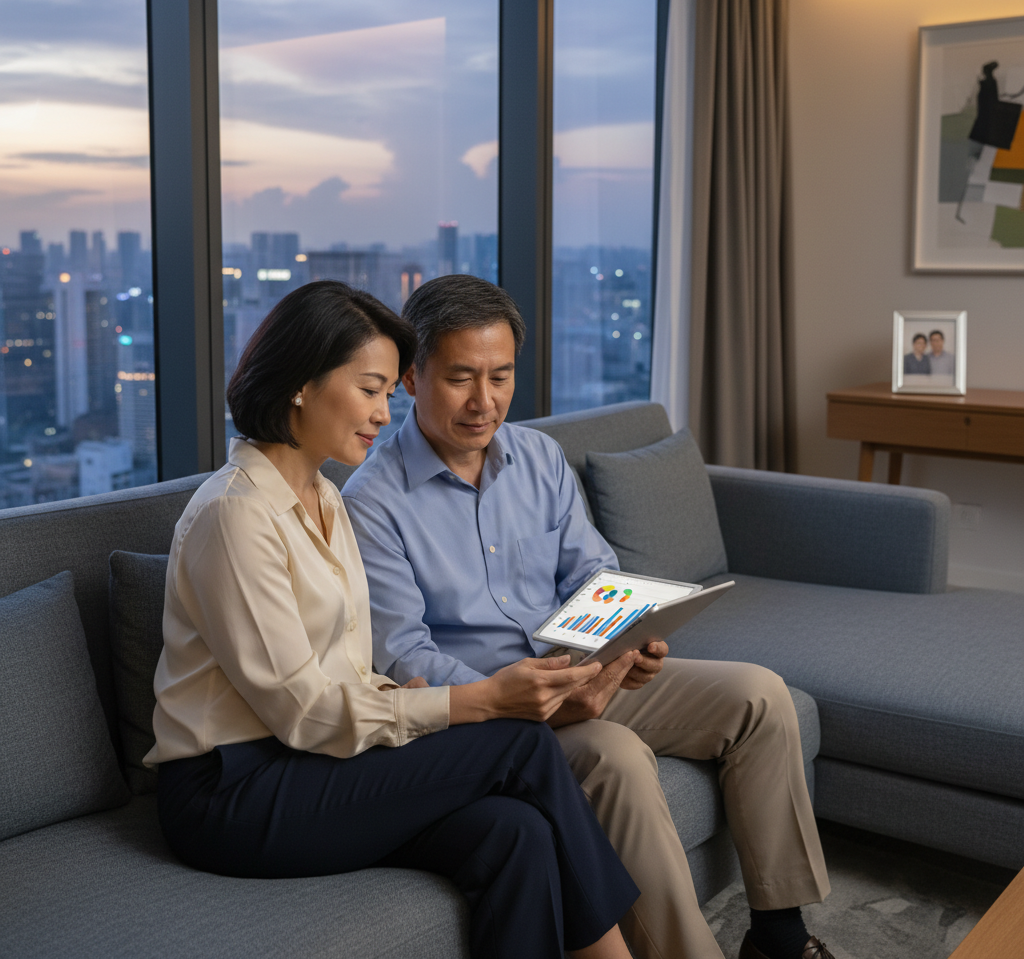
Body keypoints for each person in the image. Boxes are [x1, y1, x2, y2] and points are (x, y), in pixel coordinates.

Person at [344, 275, 839, 959]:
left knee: (760, 695)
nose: (484, 401)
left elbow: (593, 576)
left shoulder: (540, 459)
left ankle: (779, 937)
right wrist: (531, 702)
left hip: (588, 672)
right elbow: (402, 654)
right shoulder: (372, 501)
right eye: (461, 378)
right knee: (618, 759)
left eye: (501, 376)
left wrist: (629, 641)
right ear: (410, 377)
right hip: (496, 717)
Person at [144, 280, 640, 959]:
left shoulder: (322, 495)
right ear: (300, 384)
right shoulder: (236, 515)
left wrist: (404, 701)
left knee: (514, 832)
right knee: (519, 742)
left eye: (387, 393)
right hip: (235, 791)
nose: (385, 413)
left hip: (315, 763)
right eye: (371, 389)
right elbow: (304, 713)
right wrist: (475, 701)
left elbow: (347, 674)